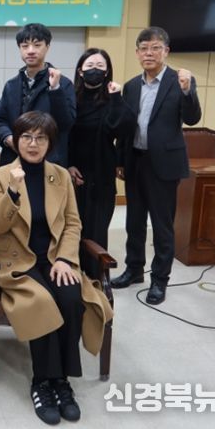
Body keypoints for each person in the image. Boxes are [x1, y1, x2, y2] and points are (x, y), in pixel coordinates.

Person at [0, 111, 113, 426]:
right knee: (41, 301)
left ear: (50, 143)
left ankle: (61, 381)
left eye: (40, 138)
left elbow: (73, 223)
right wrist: (13, 192)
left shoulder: (60, 176)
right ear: (16, 141)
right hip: (18, 260)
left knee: (70, 299)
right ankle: (42, 382)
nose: (33, 144)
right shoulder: (1, 176)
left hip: (55, 258)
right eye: (27, 137)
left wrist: (66, 259)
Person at [111, 27, 201, 305]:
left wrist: (187, 91)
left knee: (162, 226)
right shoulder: (131, 86)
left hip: (164, 164)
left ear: (166, 51)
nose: (149, 53)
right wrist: (120, 160)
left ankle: (160, 281)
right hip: (135, 160)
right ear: (137, 53)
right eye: (144, 48)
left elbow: (192, 118)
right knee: (134, 222)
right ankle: (134, 270)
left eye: (155, 48)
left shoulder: (180, 81)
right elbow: (126, 127)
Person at [67, 48, 136, 279]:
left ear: (107, 72)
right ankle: (72, 271)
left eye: (100, 66)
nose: (94, 70)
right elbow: (63, 133)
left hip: (101, 172)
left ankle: (95, 275)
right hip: (73, 171)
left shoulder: (112, 98)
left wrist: (116, 97)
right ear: (80, 70)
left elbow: (123, 128)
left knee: (97, 226)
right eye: (89, 66)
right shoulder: (70, 96)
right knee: (73, 223)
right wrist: (68, 165)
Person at [0, 23, 76, 167]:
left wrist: (55, 89)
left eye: (37, 45)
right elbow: (1, 121)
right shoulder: (11, 85)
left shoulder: (63, 84)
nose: (31, 51)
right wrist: (9, 139)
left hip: (49, 161)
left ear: (47, 47)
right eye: (25, 46)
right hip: (14, 159)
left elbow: (66, 124)